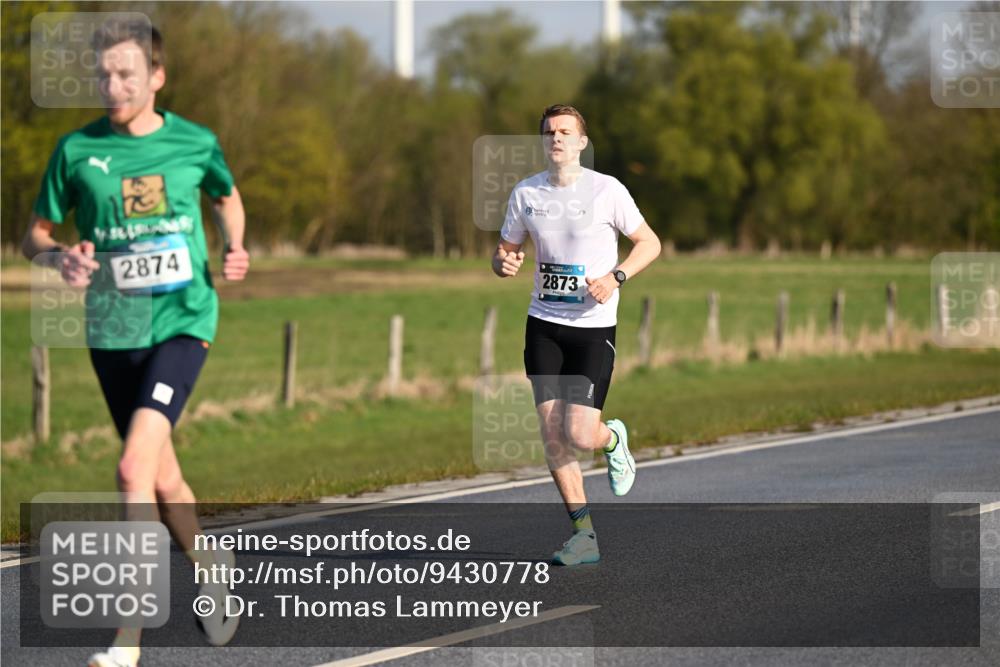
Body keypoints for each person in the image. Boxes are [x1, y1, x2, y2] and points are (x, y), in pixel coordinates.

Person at [21, 19, 249, 667]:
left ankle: (129, 636)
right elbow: (34, 234)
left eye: (126, 74)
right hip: (113, 325)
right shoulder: (74, 150)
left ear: (156, 77)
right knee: (158, 471)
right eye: (103, 74)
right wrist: (60, 257)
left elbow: (228, 199)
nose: (112, 85)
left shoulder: (194, 141)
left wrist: (235, 244)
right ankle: (211, 567)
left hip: (183, 318)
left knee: (130, 466)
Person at [492, 104, 662, 566]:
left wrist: (617, 278)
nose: (557, 139)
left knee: (580, 433)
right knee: (552, 434)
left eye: (566, 132)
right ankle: (582, 534)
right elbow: (505, 251)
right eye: (549, 132)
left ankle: (612, 440)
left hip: (592, 329)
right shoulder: (526, 193)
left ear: (582, 143)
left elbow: (650, 243)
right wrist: (503, 263)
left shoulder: (608, 190)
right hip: (543, 325)